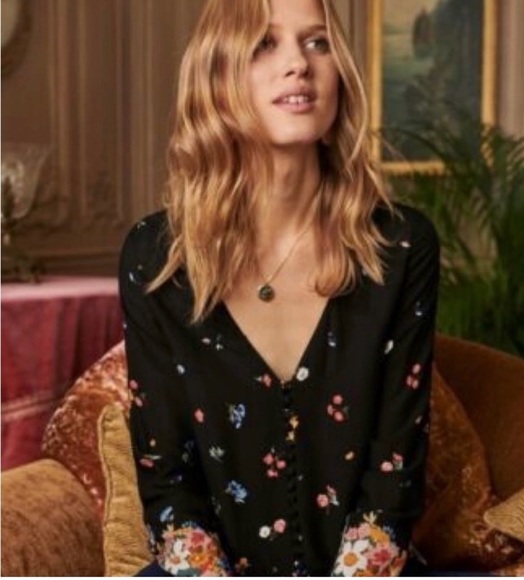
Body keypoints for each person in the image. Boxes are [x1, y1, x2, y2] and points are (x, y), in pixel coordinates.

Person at [119, 0, 439, 576]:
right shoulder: (157, 258)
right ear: (217, 72)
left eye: (318, 43)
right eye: (265, 43)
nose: (299, 64)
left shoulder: (399, 247)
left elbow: (393, 483)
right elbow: (169, 486)